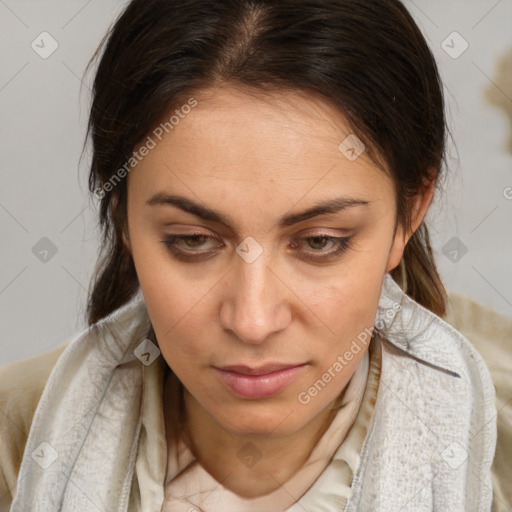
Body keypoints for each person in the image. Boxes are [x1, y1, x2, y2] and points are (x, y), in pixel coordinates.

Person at [0, 0, 507, 510]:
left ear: (409, 213)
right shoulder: (17, 443)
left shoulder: (497, 452)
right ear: (125, 219)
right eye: (193, 240)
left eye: (319, 241)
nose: (252, 321)